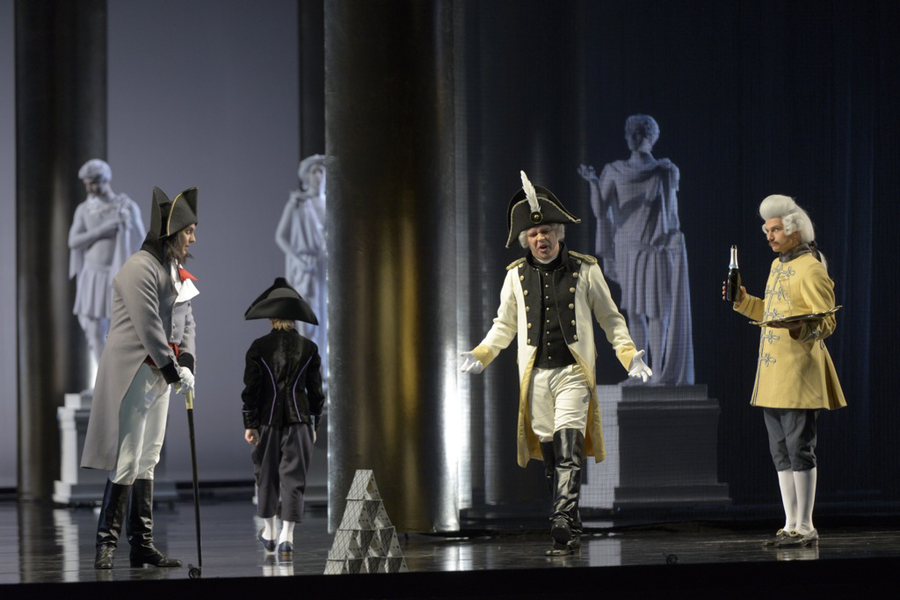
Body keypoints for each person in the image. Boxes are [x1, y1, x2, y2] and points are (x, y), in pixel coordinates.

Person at [460, 171, 652, 556]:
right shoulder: (515, 276)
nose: (540, 238)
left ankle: (560, 520)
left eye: (546, 231)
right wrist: (482, 353)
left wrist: (629, 354)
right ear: (525, 239)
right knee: (550, 457)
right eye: (533, 234)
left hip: (573, 374)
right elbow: (504, 325)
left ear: (559, 233)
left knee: (569, 446)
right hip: (535, 379)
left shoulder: (586, 269)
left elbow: (610, 319)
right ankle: (571, 526)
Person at [81, 186, 199, 569]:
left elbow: (187, 320)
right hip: (135, 370)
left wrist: (187, 364)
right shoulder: (138, 268)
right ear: (172, 233)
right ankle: (106, 543)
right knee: (128, 457)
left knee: (149, 457)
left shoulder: (176, 271)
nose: (193, 238)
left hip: (162, 373)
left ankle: (142, 543)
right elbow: (149, 326)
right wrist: (173, 370)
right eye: (188, 231)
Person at [725, 194, 846, 548]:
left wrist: (800, 327)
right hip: (773, 376)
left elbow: (827, 322)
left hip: (799, 373)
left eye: (775, 229)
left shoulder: (811, 267)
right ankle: (790, 523)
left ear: (794, 230)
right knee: (780, 452)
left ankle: (805, 525)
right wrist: (743, 301)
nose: (769, 236)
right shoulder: (777, 266)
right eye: (767, 230)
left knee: (799, 449)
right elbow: (771, 312)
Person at [578, 114, 694, 385]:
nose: (632, 138)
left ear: (649, 137)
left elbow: (671, 214)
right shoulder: (614, 171)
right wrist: (594, 183)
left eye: (638, 133)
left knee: (657, 311)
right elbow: (600, 210)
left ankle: (659, 372)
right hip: (628, 248)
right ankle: (640, 372)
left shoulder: (665, 170)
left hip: (655, 248)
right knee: (634, 311)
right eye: (630, 133)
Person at [241, 278, 324, 558]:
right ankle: (287, 537)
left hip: (266, 421)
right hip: (300, 421)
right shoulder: (309, 348)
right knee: (294, 478)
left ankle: (270, 533)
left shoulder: (259, 347)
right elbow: (316, 392)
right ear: (295, 316)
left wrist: (250, 423)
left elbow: (251, 390)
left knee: (266, 475)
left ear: (270, 316)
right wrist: (314, 423)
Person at [68, 159, 146, 366]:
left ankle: (116, 376)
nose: (89, 188)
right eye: (87, 183)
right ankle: (101, 376)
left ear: (105, 180)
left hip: (117, 275)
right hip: (93, 275)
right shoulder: (84, 210)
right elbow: (73, 241)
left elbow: (142, 240)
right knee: (94, 330)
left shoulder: (127, 207)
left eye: (92, 183)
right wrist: (101, 231)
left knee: (120, 330)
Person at [275, 155, 328, 382]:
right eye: (313, 171)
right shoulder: (297, 203)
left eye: (321, 171)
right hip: (306, 269)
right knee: (308, 318)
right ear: (306, 176)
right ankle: (308, 370)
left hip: (324, 268)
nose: (318, 176)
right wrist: (299, 259)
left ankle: (322, 372)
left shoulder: (329, 204)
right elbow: (281, 236)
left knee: (326, 319)